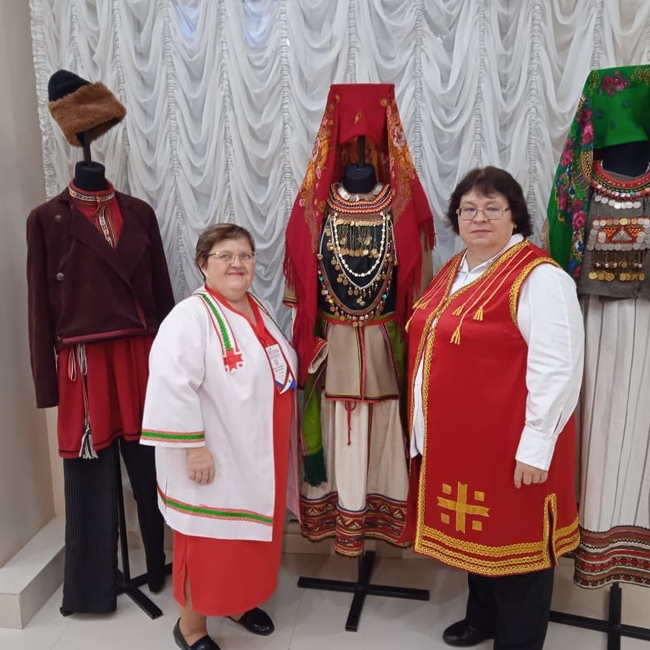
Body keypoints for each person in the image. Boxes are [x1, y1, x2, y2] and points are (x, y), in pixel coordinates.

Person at [406, 167, 584, 649]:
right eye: (468, 208)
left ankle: (518, 641)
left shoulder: (540, 278)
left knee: (518, 545)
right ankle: (481, 618)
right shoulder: (456, 268)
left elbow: (558, 368)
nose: (478, 217)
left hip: (513, 446)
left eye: (491, 208)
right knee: (480, 537)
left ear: (514, 216)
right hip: (462, 444)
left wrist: (536, 446)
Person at [27, 70, 171, 614]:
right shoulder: (46, 219)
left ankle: (157, 566)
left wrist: (176, 369)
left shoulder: (139, 213)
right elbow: (39, 308)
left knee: (151, 464)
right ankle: (91, 586)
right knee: (88, 472)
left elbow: (162, 296)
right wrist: (47, 384)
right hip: (82, 360)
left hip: (140, 354)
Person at [283, 83, 434, 557]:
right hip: (332, 346)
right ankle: (339, 517)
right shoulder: (316, 207)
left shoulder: (400, 207)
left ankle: (380, 519)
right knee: (335, 426)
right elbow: (301, 283)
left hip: (385, 342)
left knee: (385, 425)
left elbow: (418, 287)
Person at [141, 223, 299, 650]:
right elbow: (170, 385)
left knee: (247, 541)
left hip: (256, 451)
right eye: (225, 256)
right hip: (213, 455)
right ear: (202, 264)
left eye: (245, 255)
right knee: (208, 544)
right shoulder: (189, 316)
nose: (237, 264)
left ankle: (237, 603)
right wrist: (194, 448)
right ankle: (191, 628)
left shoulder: (257, 306)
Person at [548, 64, 650, 589]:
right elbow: (559, 241)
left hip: (646, 324)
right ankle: (586, 538)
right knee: (592, 424)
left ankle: (630, 543)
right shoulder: (580, 176)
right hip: (590, 319)